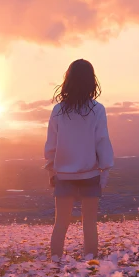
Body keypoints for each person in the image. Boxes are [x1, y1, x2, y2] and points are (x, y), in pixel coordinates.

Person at [44, 59, 114, 260]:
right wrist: (105, 170)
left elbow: (52, 144)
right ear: (92, 81)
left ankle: (56, 267)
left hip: (63, 176)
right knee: (89, 224)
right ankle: (90, 269)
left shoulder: (58, 110)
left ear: (68, 80)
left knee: (60, 224)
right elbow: (102, 140)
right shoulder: (97, 109)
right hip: (90, 174)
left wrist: (51, 169)